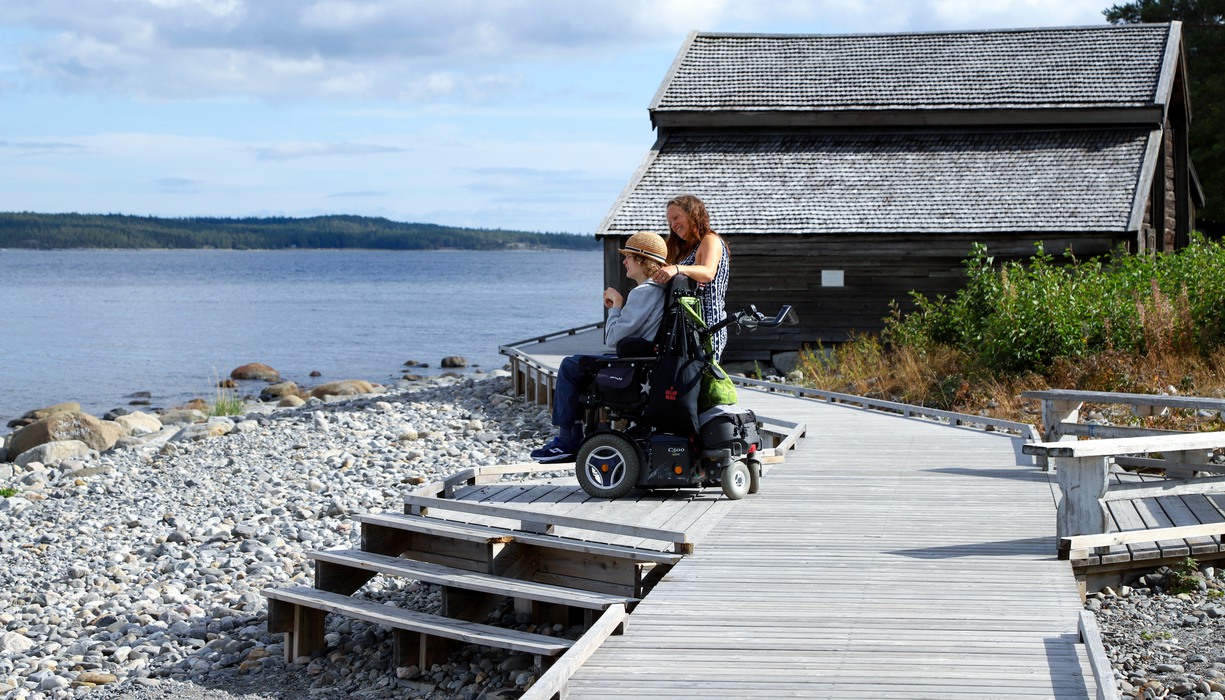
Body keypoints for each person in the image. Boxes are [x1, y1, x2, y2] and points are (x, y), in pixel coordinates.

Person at [530, 231, 668, 463]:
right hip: (645, 362)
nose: (624, 261)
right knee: (578, 364)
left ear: (643, 260)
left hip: (637, 368)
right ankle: (572, 437)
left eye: (629, 257)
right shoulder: (659, 291)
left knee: (570, 365)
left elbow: (612, 338)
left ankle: (567, 440)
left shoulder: (645, 292)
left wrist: (616, 305)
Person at [651, 194, 730, 359]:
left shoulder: (710, 240)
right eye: (670, 221)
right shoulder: (690, 248)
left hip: (709, 324)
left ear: (693, 214)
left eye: (676, 217)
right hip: (692, 325)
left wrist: (677, 268)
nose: (673, 225)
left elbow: (708, 273)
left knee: (703, 377)